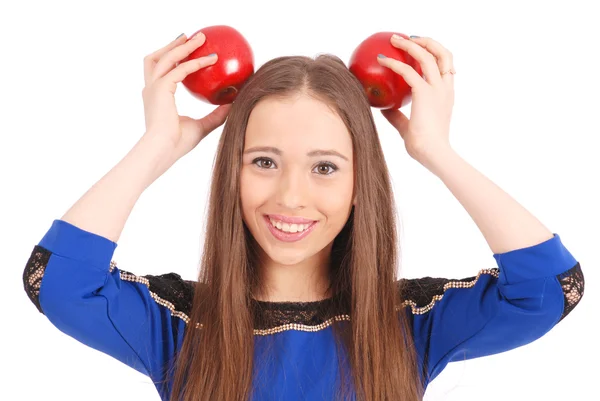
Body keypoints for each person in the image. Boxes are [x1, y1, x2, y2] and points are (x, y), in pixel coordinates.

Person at [22, 31, 585, 401]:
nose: (291, 196)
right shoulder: (182, 325)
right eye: (264, 161)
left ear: (362, 184)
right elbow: (58, 284)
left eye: (326, 168)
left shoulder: (409, 323)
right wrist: (156, 147)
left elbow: (551, 288)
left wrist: (436, 152)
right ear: (231, 174)